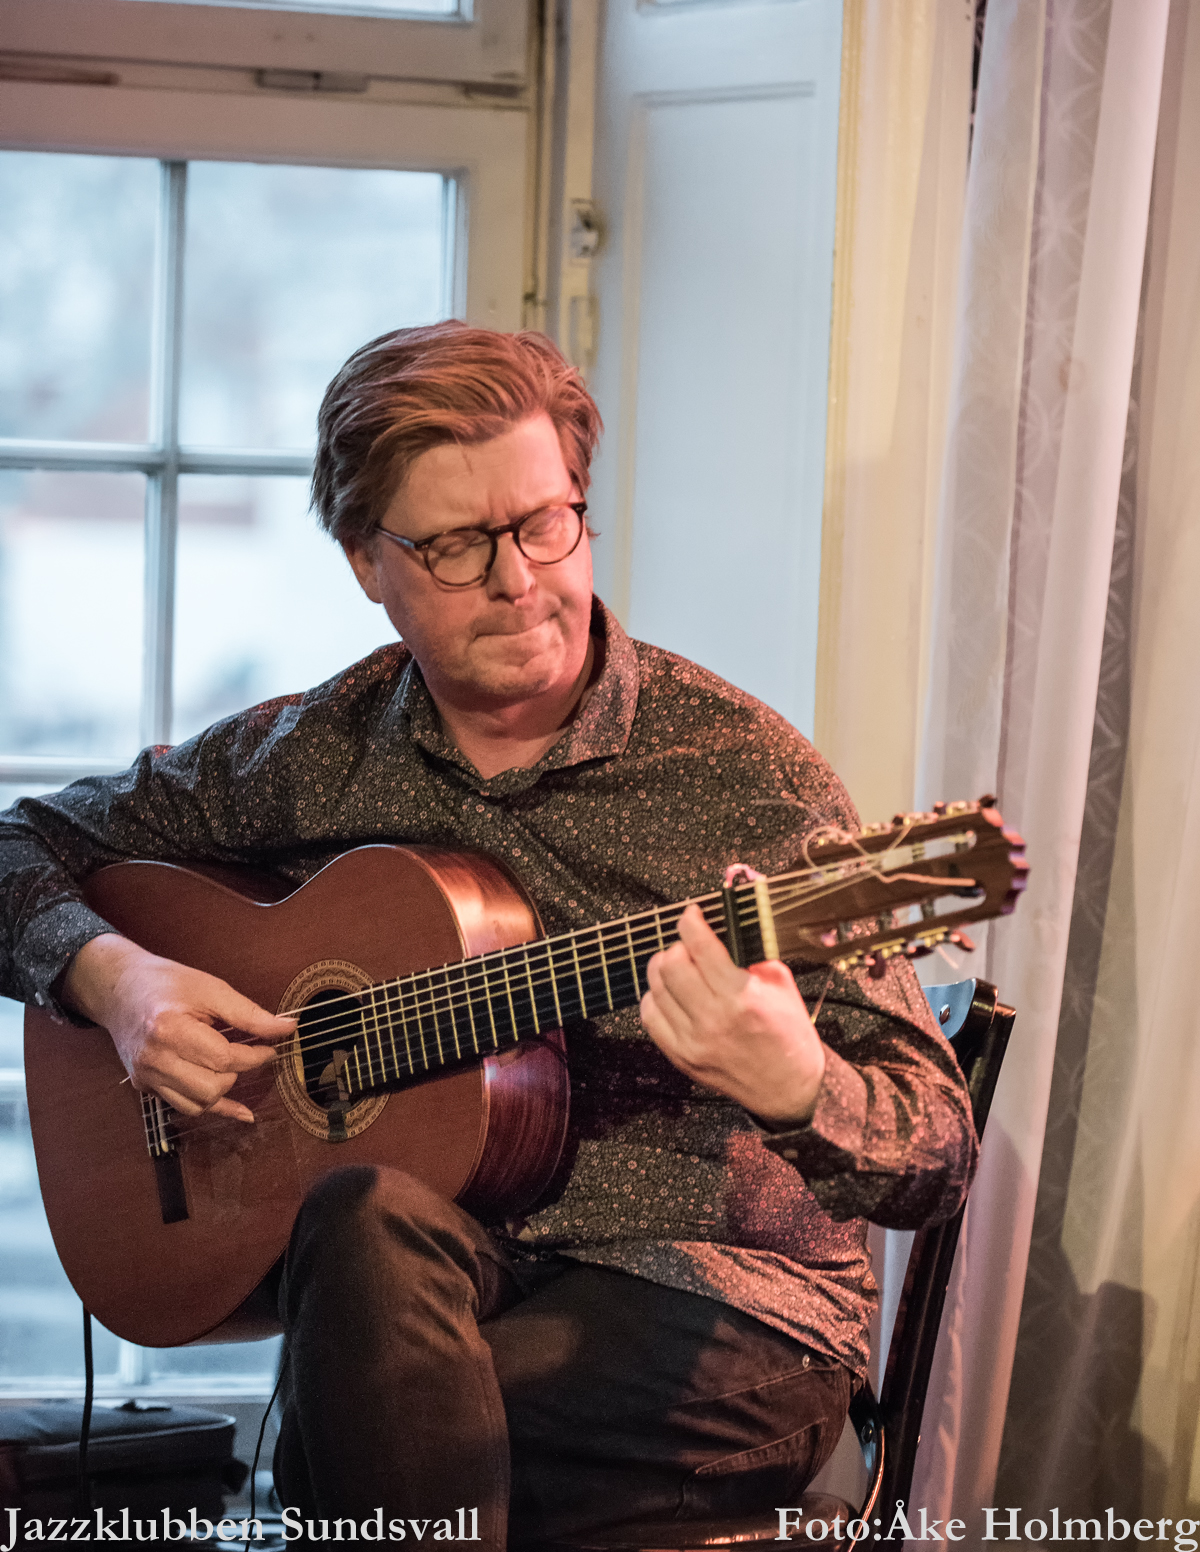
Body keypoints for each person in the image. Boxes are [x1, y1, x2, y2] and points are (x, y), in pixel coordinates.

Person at [0, 323, 976, 1548]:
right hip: (437, 1290)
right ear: (366, 560)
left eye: (545, 523)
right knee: (361, 1226)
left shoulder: (744, 778)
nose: (519, 579)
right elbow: (16, 847)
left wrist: (796, 1085)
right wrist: (119, 984)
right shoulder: (319, 753)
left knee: (367, 1431)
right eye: (458, 545)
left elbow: (935, 1153)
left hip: (714, 1308)